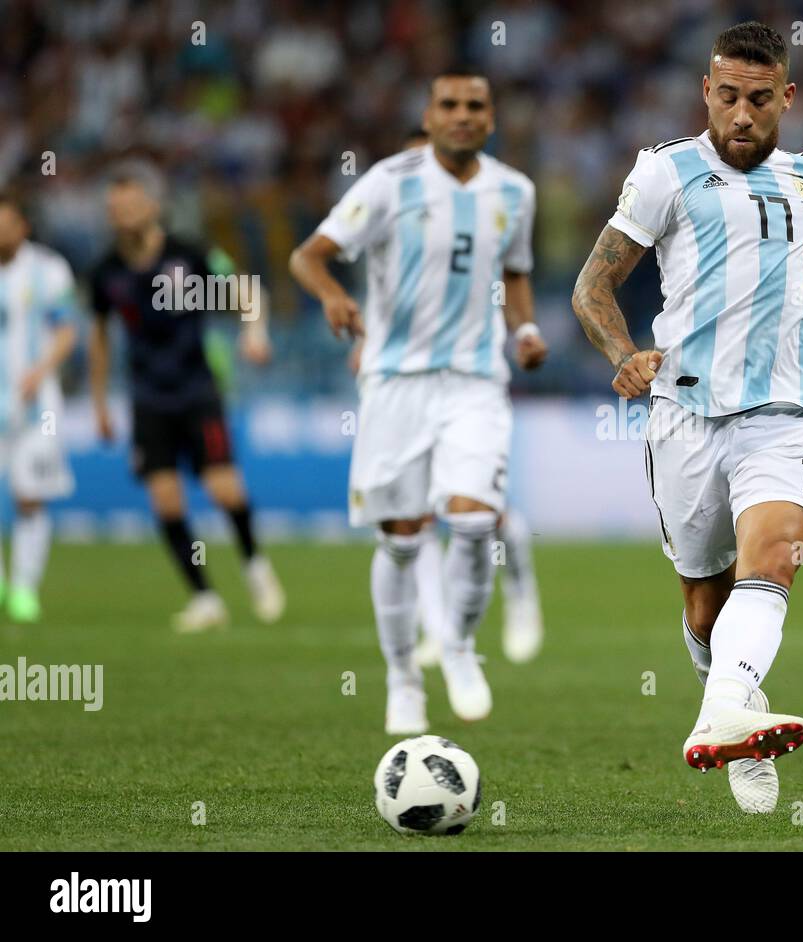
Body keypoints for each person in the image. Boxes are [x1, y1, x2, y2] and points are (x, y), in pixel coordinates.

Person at [572, 22, 803, 813]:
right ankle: (729, 711)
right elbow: (591, 288)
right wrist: (622, 354)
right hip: (686, 415)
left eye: (760, 99)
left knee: (772, 559)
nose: (743, 114)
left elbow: (800, 269)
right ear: (708, 91)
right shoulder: (666, 173)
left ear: (788, 97)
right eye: (729, 97)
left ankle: (726, 717)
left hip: (788, 414)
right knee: (704, 602)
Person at [290, 71, 547, 734]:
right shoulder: (388, 181)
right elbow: (308, 256)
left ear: (491, 118)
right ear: (429, 116)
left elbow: (515, 273)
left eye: (476, 106)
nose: (463, 116)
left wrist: (523, 329)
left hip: (474, 380)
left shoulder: (515, 192)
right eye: (449, 105)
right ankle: (403, 678)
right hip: (395, 382)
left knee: (473, 522)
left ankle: (459, 648)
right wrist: (332, 295)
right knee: (402, 540)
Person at [89, 160, 284, 633]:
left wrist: (254, 332)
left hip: (197, 390)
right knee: (166, 500)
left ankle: (254, 563)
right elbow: (99, 336)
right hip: (147, 397)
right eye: (115, 205)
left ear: (154, 205)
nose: (123, 212)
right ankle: (205, 597)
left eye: (131, 202)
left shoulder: (186, 257)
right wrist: (99, 401)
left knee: (223, 487)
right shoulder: (106, 272)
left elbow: (245, 291)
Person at [0, 188, 77, 622]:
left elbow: (67, 331)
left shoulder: (48, 270)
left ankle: (25, 589)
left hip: (38, 407)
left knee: (29, 494)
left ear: (22, 227)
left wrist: (40, 369)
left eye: (5, 224)